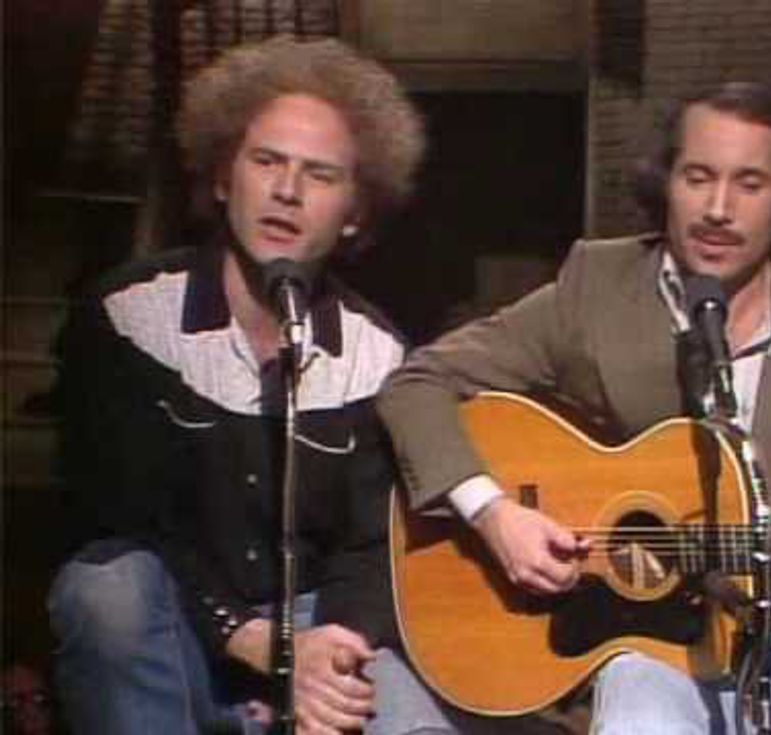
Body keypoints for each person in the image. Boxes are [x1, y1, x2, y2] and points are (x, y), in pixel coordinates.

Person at [378, 82, 771, 733]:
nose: (718, 209)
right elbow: (419, 383)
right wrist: (494, 514)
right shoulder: (596, 288)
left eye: (749, 183)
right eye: (698, 177)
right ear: (666, 183)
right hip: (641, 647)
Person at [47, 35, 488, 735]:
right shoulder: (129, 314)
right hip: (175, 619)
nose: (287, 191)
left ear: (354, 212)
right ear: (224, 178)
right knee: (107, 589)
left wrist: (327, 660)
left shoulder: (376, 354)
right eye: (266, 161)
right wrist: (254, 642)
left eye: (320, 174)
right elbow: (126, 516)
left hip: (314, 625)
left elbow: (372, 547)